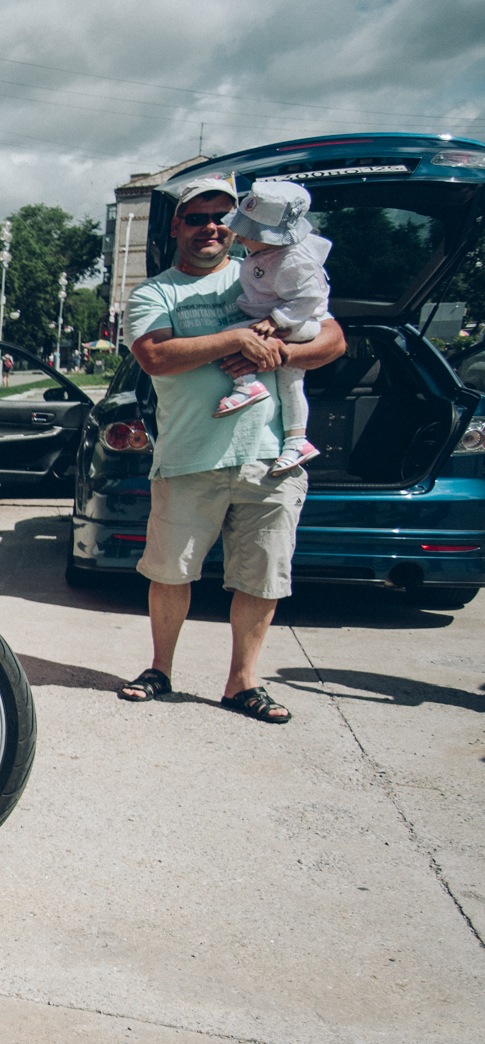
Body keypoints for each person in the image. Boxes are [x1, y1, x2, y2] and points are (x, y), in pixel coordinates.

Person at [115, 177, 344, 723]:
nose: (211, 227)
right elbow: (155, 356)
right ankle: (160, 670)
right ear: (178, 226)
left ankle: (243, 682)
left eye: (222, 216)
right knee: (171, 573)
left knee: (262, 576)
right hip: (188, 455)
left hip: (270, 457)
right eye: (197, 217)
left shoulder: (270, 268)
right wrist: (237, 339)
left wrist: (280, 351)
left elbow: (333, 340)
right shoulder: (156, 293)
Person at [213, 181, 331, 475]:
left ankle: (247, 384)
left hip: (298, 324)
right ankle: (297, 442)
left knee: (231, 337)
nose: (239, 235)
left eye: (249, 232)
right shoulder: (270, 254)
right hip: (292, 325)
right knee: (292, 385)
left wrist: (274, 321)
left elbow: (310, 298)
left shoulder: (293, 261)